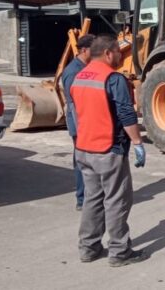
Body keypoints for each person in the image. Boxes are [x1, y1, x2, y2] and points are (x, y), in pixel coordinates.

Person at [70, 34, 148, 267]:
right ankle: (119, 251)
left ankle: (89, 248)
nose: (119, 57)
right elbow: (126, 114)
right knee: (117, 200)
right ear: (107, 53)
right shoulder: (112, 79)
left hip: (84, 148)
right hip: (108, 148)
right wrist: (137, 143)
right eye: (117, 52)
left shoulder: (78, 76)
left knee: (93, 199)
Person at [61, 34, 95, 211]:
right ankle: (82, 199)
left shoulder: (86, 67)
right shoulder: (73, 71)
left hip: (86, 123)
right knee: (82, 161)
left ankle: (91, 196)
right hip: (80, 125)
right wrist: (82, 130)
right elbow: (74, 104)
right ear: (83, 50)